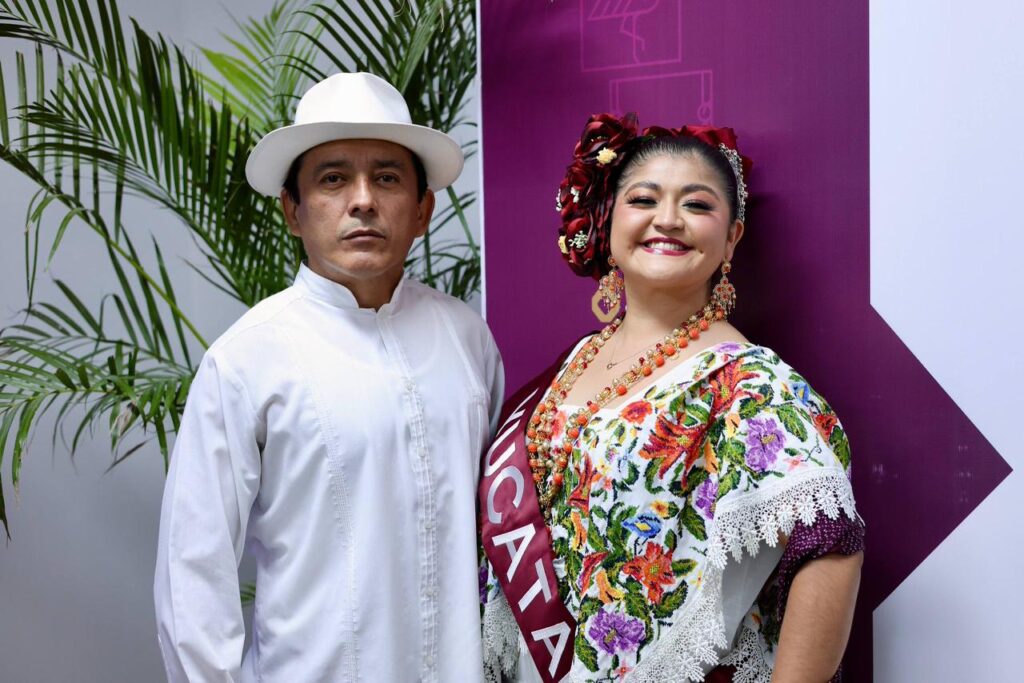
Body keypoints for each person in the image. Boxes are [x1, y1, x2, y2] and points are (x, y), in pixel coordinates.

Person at [479, 113, 863, 683]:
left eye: (697, 205)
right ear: (609, 220)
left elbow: (829, 544)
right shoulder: (575, 361)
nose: (667, 219)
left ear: (731, 237)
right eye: (643, 199)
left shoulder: (747, 382)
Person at [154, 72, 503, 682]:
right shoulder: (247, 360)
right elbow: (193, 574)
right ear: (293, 210)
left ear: (422, 209)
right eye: (333, 179)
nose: (362, 200)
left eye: (387, 178)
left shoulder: (466, 339)